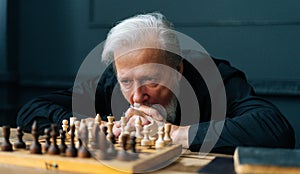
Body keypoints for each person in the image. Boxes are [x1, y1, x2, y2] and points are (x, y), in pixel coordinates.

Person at [17, 12, 295, 154]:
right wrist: (88, 126)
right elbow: (33, 110)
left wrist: (174, 133)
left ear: (178, 70)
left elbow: (275, 130)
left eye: (150, 81)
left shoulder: (214, 78)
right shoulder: (114, 80)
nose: (137, 97)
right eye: (127, 82)